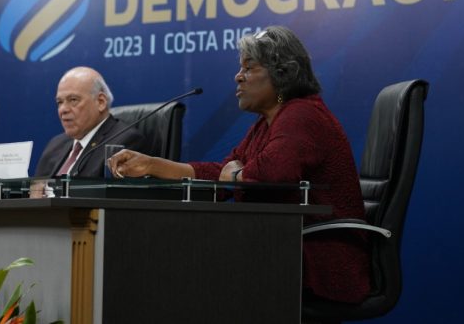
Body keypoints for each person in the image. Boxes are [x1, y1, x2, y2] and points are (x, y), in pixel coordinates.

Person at [109, 26, 371, 304]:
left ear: (282, 73)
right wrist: (151, 164)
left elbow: (271, 174)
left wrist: (235, 172)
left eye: (250, 68)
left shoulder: (302, 114)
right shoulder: (267, 122)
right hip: (284, 246)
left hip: (321, 259)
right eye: (240, 68)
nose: (238, 76)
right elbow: (219, 175)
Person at [33, 66, 146, 178]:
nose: (63, 109)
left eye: (73, 100)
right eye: (59, 102)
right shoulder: (56, 144)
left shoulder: (123, 142)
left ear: (101, 102)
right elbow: (35, 190)